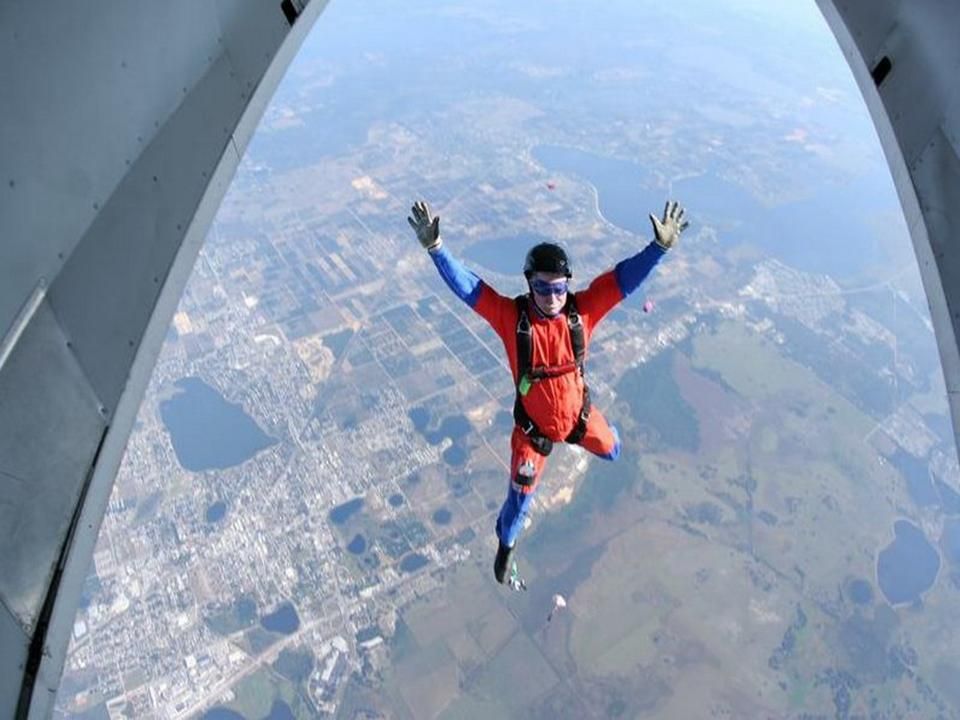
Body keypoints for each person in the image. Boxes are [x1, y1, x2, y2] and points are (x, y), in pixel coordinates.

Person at [407, 199, 688, 586]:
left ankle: (597, 447)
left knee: (613, 451)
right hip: (533, 433)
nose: (551, 296)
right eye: (541, 287)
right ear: (528, 285)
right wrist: (436, 250)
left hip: (579, 420)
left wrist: (658, 249)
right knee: (519, 505)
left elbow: (622, 281)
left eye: (558, 288)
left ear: (567, 285)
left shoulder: (582, 313)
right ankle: (505, 546)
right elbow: (471, 289)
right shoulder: (512, 319)